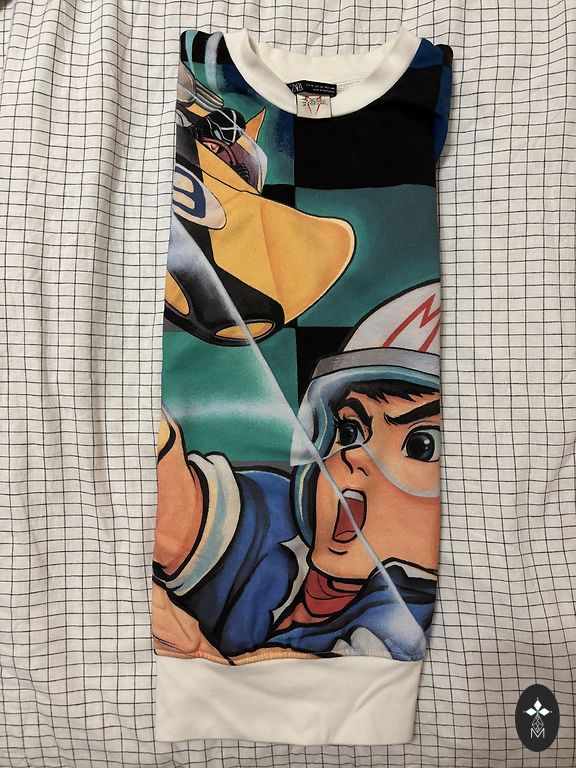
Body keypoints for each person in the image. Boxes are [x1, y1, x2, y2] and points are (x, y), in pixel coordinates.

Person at [152, 281, 442, 665]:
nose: (354, 457)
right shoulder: (281, 525)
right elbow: (181, 515)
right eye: (348, 430)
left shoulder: (400, 616)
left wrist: (195, 651)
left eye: (421, 445)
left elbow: (327, 688)